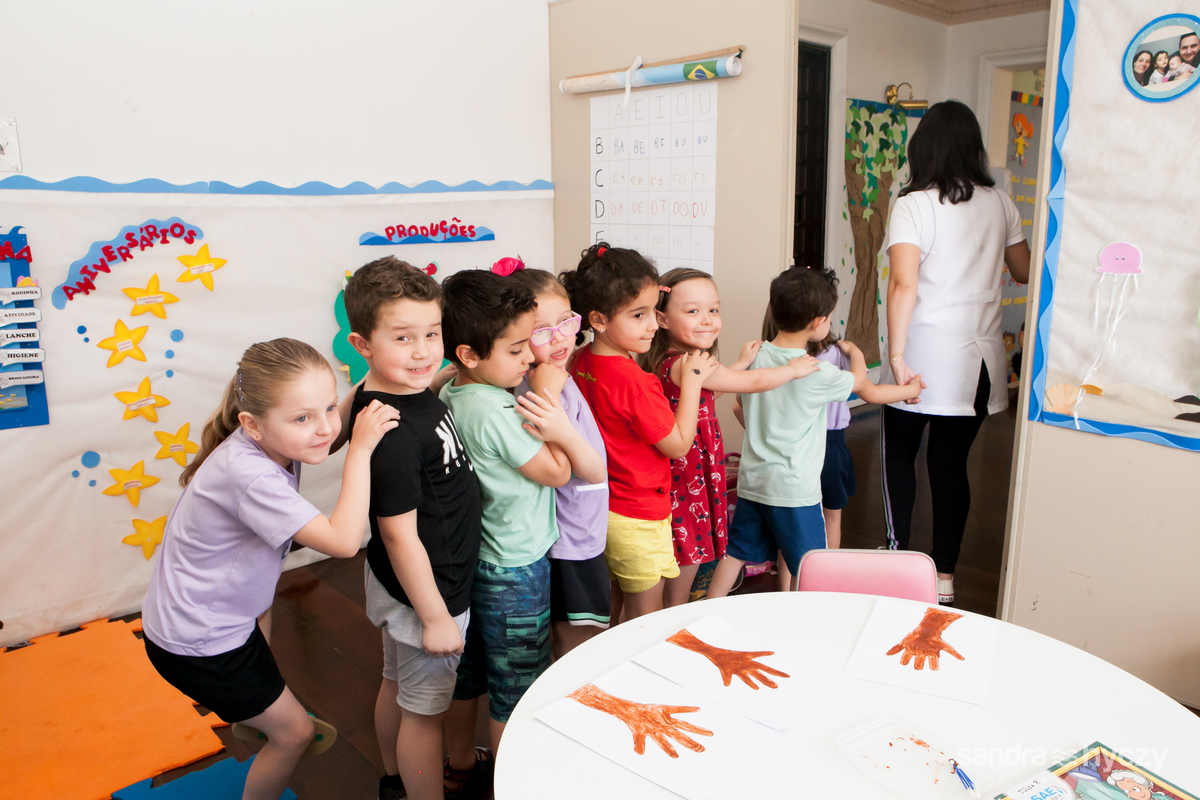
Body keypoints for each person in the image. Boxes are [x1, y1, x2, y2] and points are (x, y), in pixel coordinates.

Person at [140, 338, 399, 800]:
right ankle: (269, 724)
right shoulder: (250, 474)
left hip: (218, 615)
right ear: (252, 425)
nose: (325, 428)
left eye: (328, 408)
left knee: (267, 664)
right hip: (198, 643)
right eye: (303, 418)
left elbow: (326, 429)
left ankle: (256, 712)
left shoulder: (268, 441)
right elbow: (343, 542)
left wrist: (386, 375)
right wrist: (360, 450)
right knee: (295, 734)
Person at [438, 269, 605, 771]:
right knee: (517, 685)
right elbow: (559, 472)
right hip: (515, 566)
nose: (531, 357)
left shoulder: (454, 392)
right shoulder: (499, 411)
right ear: (469, 354)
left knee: (469, 676)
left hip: (480, 558)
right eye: (518, 348)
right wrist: (550, 400)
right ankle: (515, 778)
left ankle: (460, 764)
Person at [340, 257, 483, 800]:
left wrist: (435, 376)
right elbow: (398, 533)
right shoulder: (393, 431)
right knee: (424, 717)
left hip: (406, 584)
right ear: (362, 344)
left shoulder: (396, 393)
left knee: (396, 684)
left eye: (432, 333)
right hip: (429, 591)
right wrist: (436, 617)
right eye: (403, 338)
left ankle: (395, 781)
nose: (423, 351)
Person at [882, 100, 1031, 605]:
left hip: (921, 356)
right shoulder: (1001, 203)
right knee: (949, 468)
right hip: (980, 362)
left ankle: (897, 561)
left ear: (923, 147)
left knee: (899, 459)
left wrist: (896, 357)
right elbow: (1025, 270)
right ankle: (944, 579)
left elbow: (903, 284)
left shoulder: (914, 205)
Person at [706, 266, 923, 599]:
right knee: (809, 564)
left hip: (754, 481)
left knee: (736, 552)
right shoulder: (816, 372)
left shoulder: (755, 357)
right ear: (817, 322)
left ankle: (707, 609)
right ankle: (804, 620)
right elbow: (867, 388)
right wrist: (902, 383)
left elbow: (740, 406)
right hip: (794, 491)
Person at [640, 267, 818, 607]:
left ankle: (671, 612)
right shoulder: (688, 363)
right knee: (688, 555)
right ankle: (674, 616)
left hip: (681, 475)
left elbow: (707, 394)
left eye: (713, 309)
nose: (707, 320)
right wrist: (792, 370)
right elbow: (753, 383)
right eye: (693, 311)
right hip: (687, 476)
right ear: (662, 319)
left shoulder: (671, 361)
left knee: (683, 553)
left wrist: (739, 362)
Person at [561, 243, 719, 621]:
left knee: (613, 612)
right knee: (646, 618)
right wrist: (692, 382)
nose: (652, 324)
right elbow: (677, 445)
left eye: (652, 311)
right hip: (639, 515)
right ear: (598, 319)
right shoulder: (635, 381)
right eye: (638, 315)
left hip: (606, 508)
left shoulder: (581, 359)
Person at [505, 263, 612, 657]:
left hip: (579, 533)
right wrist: (563, 428)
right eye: (540, 331)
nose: (559, 338)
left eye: (566, 322)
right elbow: (593, 471)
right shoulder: (540, 390)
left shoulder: (553, 376)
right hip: (570, 539)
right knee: (577, 644)